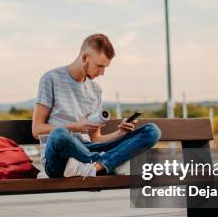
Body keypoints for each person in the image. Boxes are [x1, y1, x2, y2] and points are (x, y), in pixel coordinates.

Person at [32, 34, 161, 178]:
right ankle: (111, 162)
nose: (102, 73)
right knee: (59, 135)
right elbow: (37, 130)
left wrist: (120, 133)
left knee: (152, 131)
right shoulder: (51, 78)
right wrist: (75, 127)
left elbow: (96, 139)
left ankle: (97, 165)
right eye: (99, 66)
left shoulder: (95, 91)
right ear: (85, 58)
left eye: (105, 67)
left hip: (88, 151)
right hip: (60, 157)